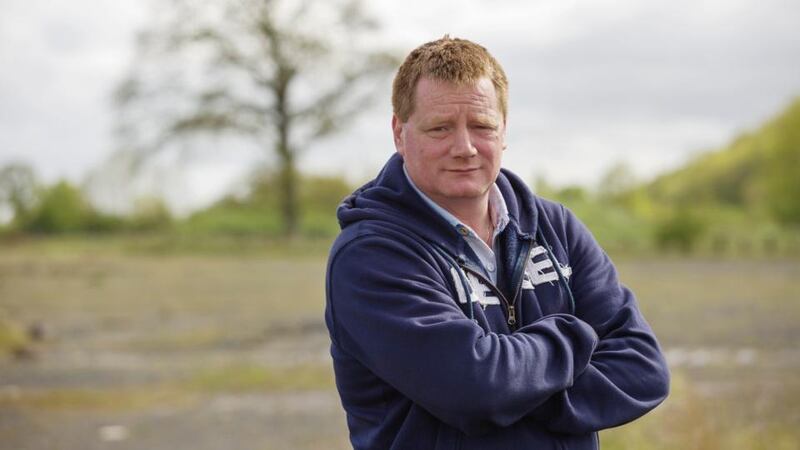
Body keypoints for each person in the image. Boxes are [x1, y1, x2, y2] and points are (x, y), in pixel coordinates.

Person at [324, 36, 669, 450]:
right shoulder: (369, 255)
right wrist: (575, 338)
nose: (464, 147)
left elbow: (645, 369)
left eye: (482, 126)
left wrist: (516, 394)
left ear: (503, 130)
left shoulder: (555, 226)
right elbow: (472, 387)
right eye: (440, 128)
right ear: (400, 133)